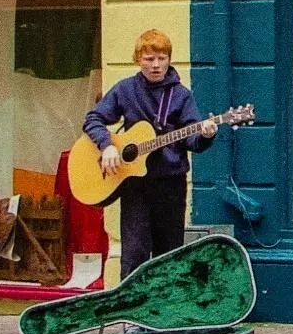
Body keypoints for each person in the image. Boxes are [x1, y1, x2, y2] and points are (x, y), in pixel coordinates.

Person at [83, 29, 216, 277]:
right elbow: (93, 119)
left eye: (161, 58)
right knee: (134, 252)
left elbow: (192, 139)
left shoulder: (181, 95)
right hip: (135, 184)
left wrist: (206, 135)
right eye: (149, 59)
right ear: (138, 60)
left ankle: (165, 310)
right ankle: (130, 307)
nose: (156, 65)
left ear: (169, 59)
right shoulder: (125, 90)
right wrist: (107, 145)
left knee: (169, 253)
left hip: (170, 184)